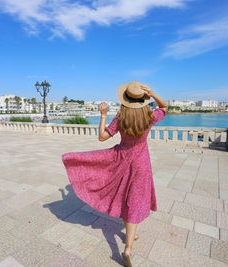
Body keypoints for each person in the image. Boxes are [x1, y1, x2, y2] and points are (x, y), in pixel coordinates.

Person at [61, 81, 168, 267]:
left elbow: (102, 137)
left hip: (121, 160)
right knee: (135, 199)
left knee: (123, 196)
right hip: (141, 163)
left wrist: (103, 115)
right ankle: (127, 248)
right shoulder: (149, 116)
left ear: (125, 100)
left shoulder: (120, 117)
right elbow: (165, 107)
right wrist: (152, 92)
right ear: (143, 100)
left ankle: (130, 234)